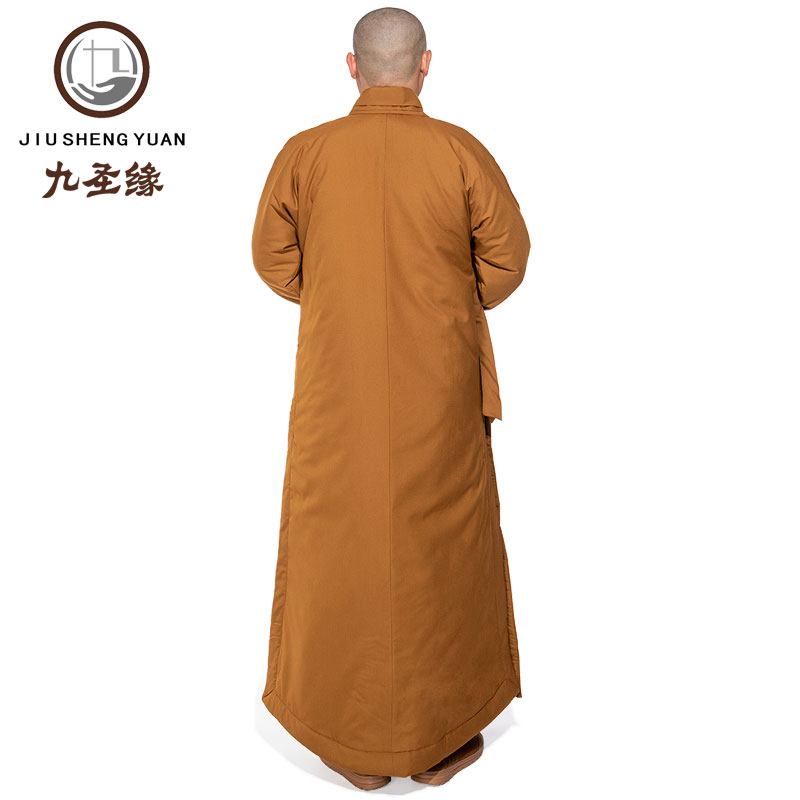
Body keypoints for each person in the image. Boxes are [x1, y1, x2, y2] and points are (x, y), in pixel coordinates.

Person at [251, 6, 530, 790]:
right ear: (424, 64)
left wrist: (338, 298)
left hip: (335, 387)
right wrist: (442, 303)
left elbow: (273, 259)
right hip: (438, 388)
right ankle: (439, 741)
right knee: (443, 545)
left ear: (352, 67)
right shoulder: (459, 151)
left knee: (336, 540)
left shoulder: (304, 154)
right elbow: (507, 260)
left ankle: (348, 740)